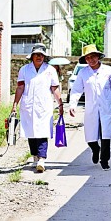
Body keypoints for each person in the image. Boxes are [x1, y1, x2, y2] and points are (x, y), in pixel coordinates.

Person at [69, 44, 111, 170]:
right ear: (85, 60)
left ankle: (104, 160)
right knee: (90, 136)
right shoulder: (83, 73)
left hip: (106, 107)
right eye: (88, 58)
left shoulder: (108, 71)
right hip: (91, 108)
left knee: (106, 135)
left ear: (98, 57)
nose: (91, 60)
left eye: (93, 57)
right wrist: (73, 104)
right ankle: (95, 149)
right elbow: (76, 90)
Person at [12, 44, 64, 173]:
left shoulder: (50, 70)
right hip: (28, 105)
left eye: (41, 55)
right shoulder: (24, 70)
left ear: (44, 57)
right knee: (30, 132)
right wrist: (14, 105)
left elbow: (54, 88)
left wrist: (60, 104)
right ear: (32, 57)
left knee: (42, 131)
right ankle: (35, 156)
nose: (39, 57)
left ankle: (42, 158)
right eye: (36, 55)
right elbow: (20, 87)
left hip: (44, 106)